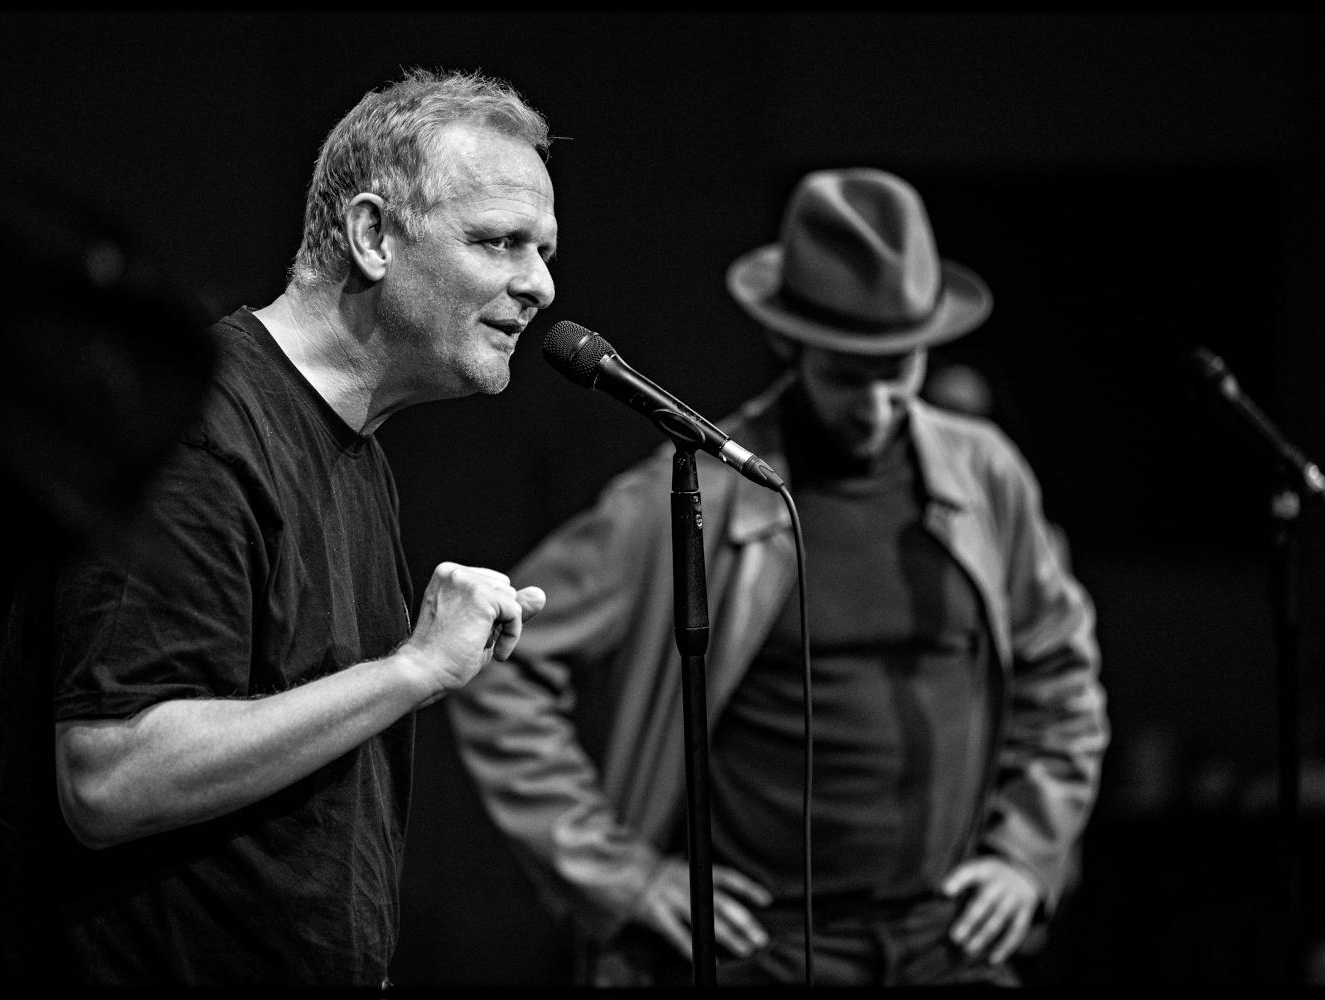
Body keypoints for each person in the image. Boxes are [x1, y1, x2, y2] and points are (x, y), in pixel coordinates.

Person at [448, 167, 1108, 987]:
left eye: (897, 370)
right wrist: (624, 876)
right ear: (788, 343)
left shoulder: (985, 475)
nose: (876, 406)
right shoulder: (696, 492)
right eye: (847, 375)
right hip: (763, 952)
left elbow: (1063, 673)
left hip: (947, 942)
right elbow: (497, 665)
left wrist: (1029, 854)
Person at [0, 67, 556, 988]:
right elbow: (109, 776)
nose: (540, 286)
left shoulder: (352, 447)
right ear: (372, 236)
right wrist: (414, 669)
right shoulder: (200, 434)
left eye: (543, 249)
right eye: (500, 243)